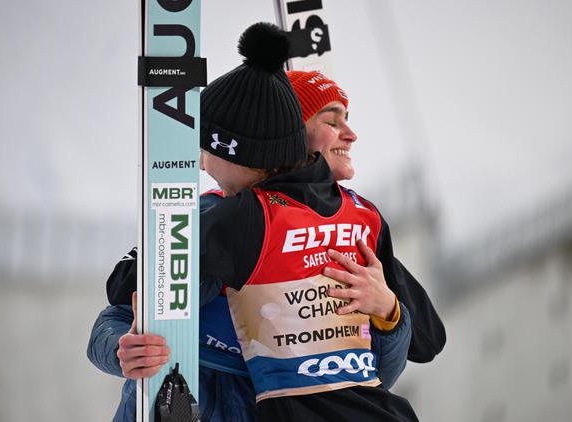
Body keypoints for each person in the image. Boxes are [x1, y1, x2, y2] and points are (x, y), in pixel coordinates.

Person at [87, 23, 443, 422]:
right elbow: (116, 310)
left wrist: (390, 312)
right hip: (198, 393)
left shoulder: (351, 225)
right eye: (332, 120)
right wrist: (123, 347)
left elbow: (378, 374)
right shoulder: (210, 216)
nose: (351, 133)